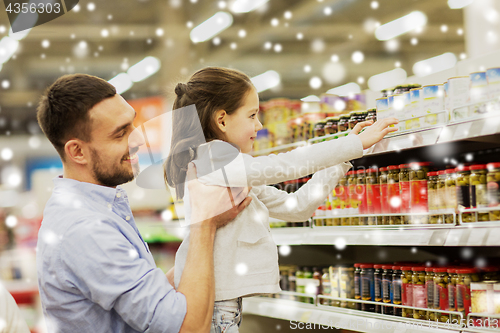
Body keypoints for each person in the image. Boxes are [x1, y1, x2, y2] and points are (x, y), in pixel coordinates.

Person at [165, 67, 398, 333]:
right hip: (216, 307)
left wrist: (343, 159)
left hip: (224, 305)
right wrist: (353, 143)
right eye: (252, 115)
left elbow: (297, 207)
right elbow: (285, 165)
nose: (259, 126)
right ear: (222, 120)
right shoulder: (210, 157)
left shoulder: (232, 174)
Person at [35, 74, 251, 333]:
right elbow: (188, 328)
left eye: (132, 125)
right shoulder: (86, 230)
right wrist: (204, 225)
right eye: (120, 134)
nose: (138, 140)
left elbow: (152, 297)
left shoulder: (95, 208)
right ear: (77, 152)